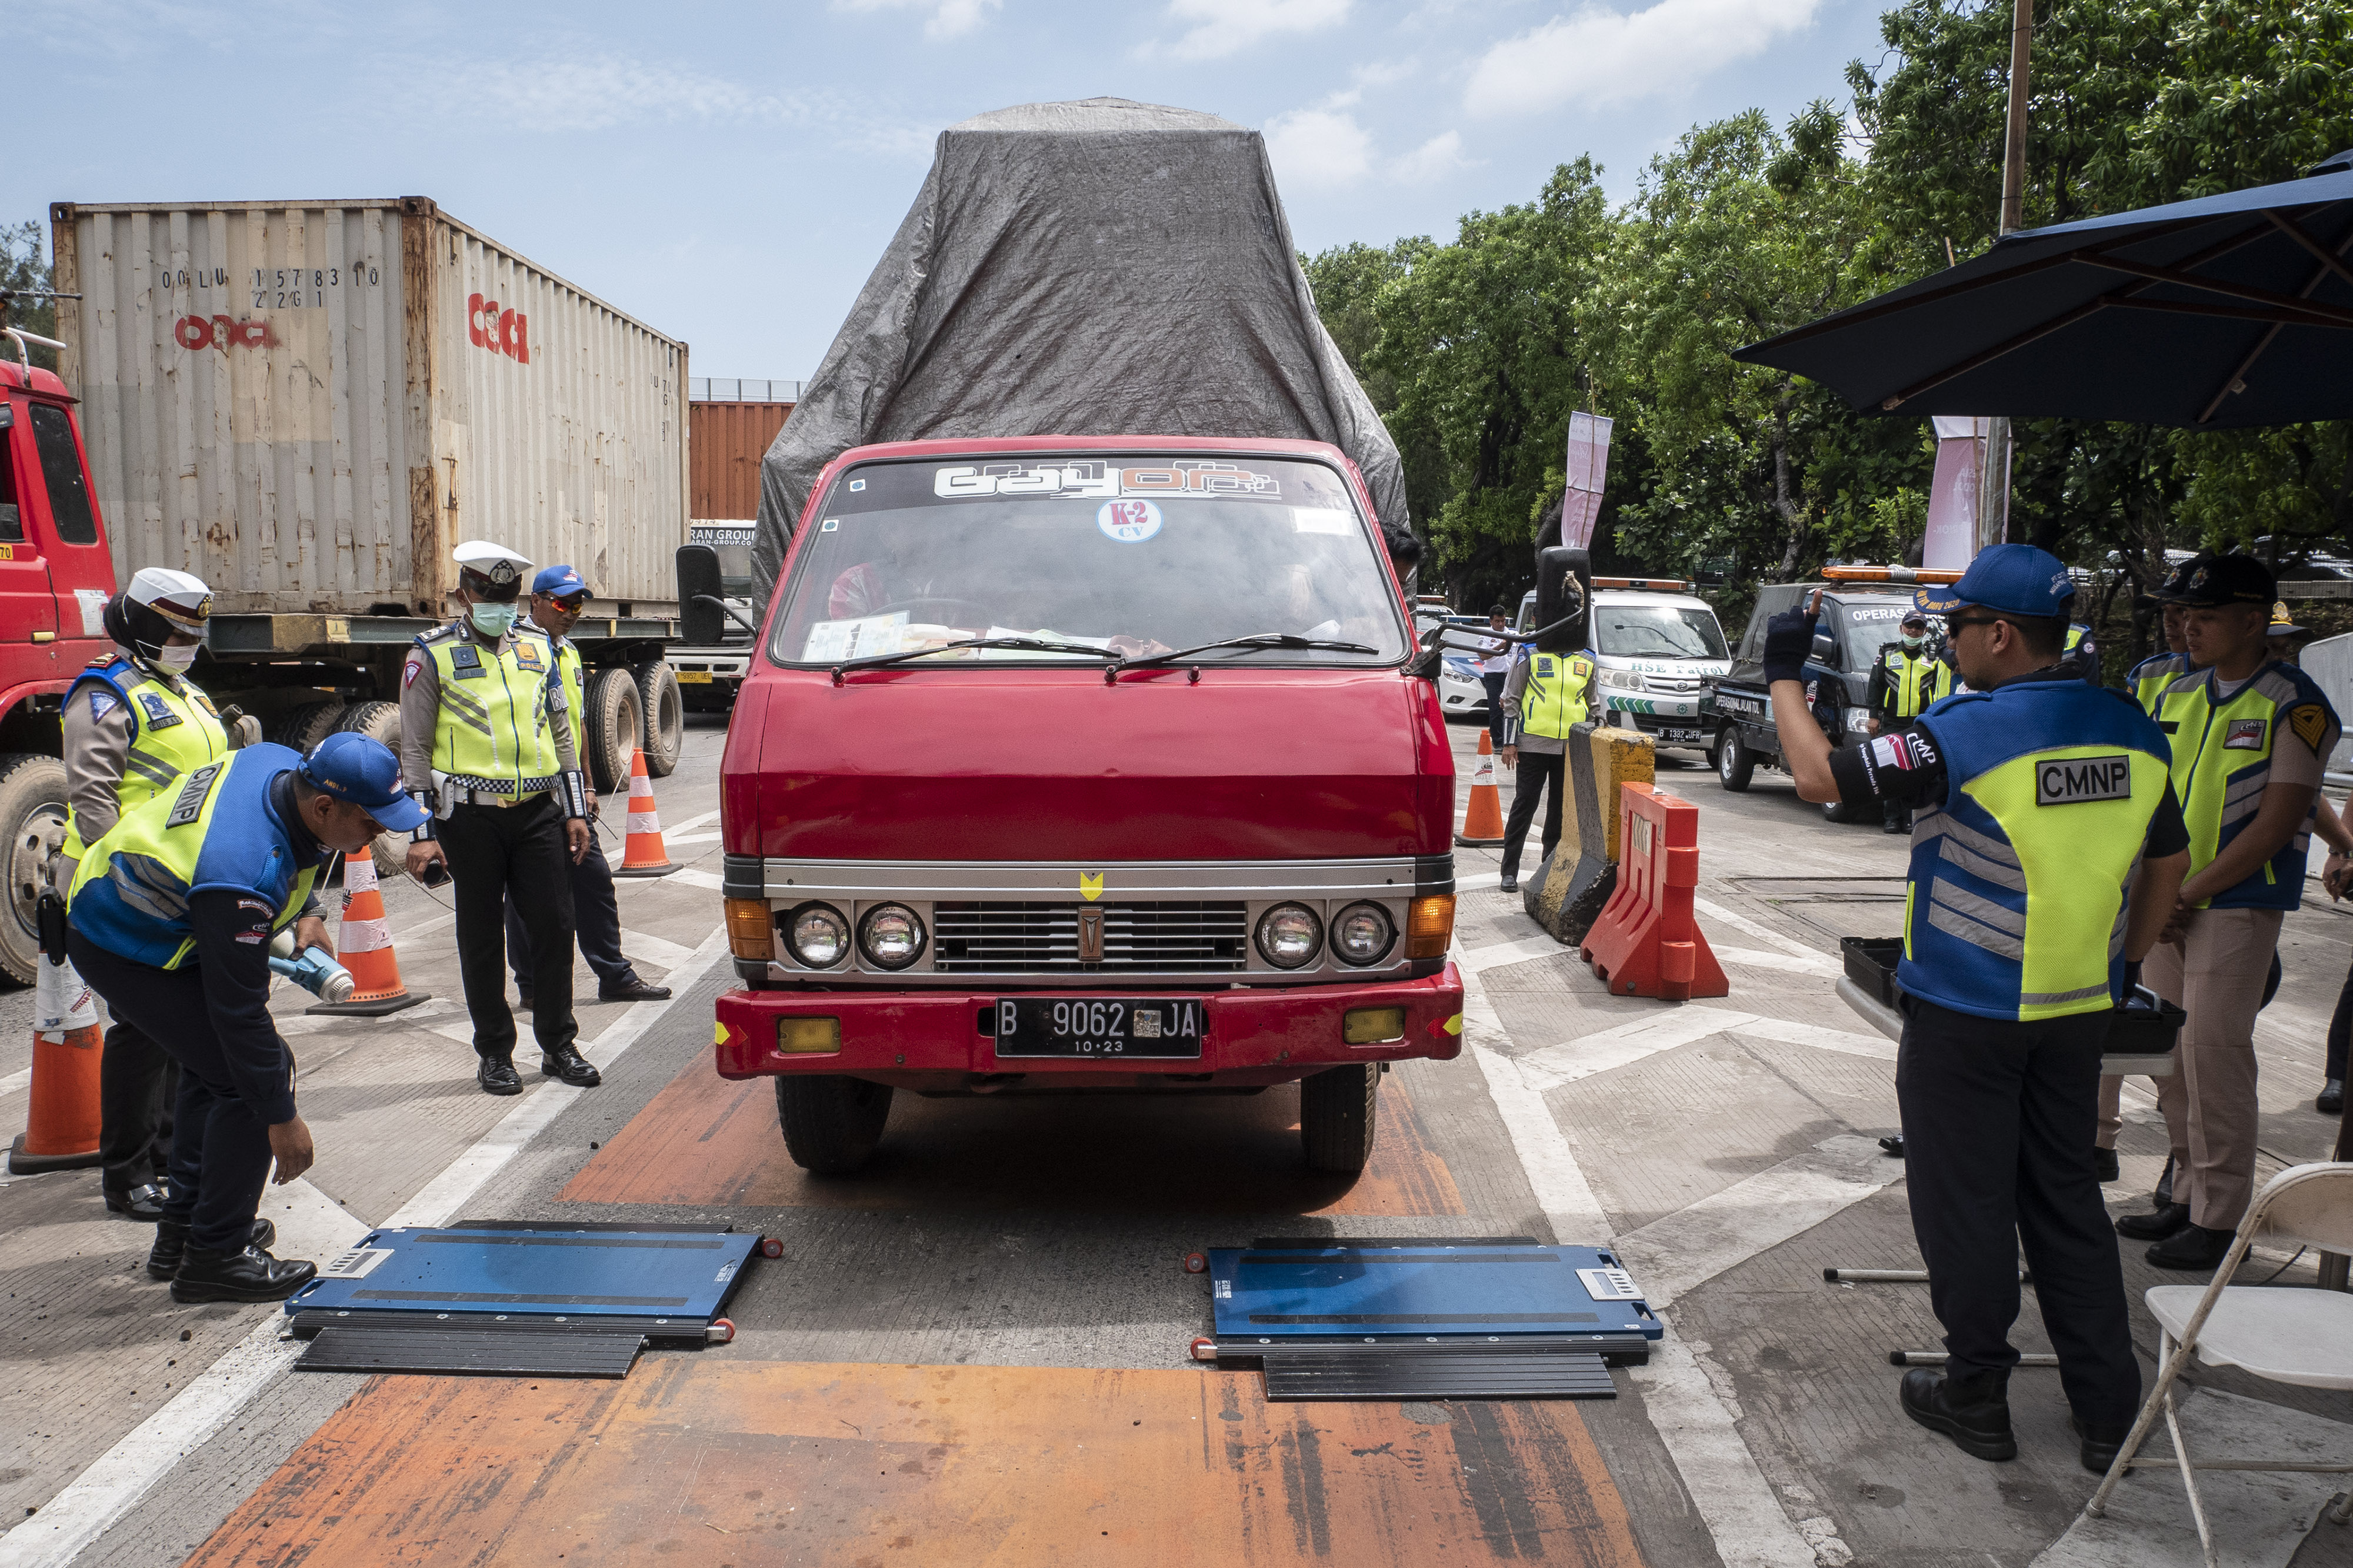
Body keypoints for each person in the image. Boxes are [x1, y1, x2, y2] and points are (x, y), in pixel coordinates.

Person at [1763, 544, 2189, 1476]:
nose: (1947, 641)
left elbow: (1818, 777)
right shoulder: (2136, 731)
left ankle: (1977, 1393)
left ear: (2000, 634)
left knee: (1968, 1206)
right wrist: (2121, 963)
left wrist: (1785, 674)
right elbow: (2168, 865)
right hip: (2078, 1009)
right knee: (2069, 1201)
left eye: (1957, 627)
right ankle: (2108, 1410)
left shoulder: (1959, 733)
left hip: (1968, 1012)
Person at [65, 733, 424, 1302]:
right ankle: (217, 1255)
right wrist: (282, 1118)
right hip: (123, 940)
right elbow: (239, 1013)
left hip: (142, 906)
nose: (378, 833)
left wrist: (305, 908)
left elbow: (291, 847)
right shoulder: (240, 873)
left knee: (217, 1073)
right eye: (371, 822)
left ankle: (186, 1231)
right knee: (250, 1076)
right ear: (325, 807)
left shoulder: (279, 764)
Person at [2119, 555, 2340, 1269]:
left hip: (2235, 904)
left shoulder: (2294, 705)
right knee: (2169, 1060)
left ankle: (2219, 1217)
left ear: (2254, 621)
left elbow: (2276, 823)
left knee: (2213, 1055)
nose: (2188, 627)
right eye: (2184, 614)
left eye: (2206, 615)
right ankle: (2183, 1191)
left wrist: (2182, 893)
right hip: (2170, 901)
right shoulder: (2179, 691)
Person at [58, 569, 265, 1225]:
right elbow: (92, 799)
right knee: (142, 1033)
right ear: (142, 626)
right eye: (176, 631)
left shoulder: (188, 693)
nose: (187, 642)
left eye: (194, 633)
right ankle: (126, 1173)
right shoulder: (105, 693)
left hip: (182, 884)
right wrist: (130, 882)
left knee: (185, 1029)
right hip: (122, 889)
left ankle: (177, 1162)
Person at [399, 541, 599, 1097]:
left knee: (556, 928)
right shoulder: (430, 654)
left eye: (509, 598)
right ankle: (495, 1053)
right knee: (482, 937)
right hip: (469, 819)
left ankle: (559, 1044)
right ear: (466, 594)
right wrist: (421, 833)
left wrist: (576, 809)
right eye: (490, 596)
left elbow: (560, 733)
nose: (501, 607)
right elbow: (414, 750)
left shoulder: (539, 648)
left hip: (539, 811)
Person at [505, 565, 671, 1007]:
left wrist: (589, 788)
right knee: (525, 898)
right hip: (530, 794)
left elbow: (574, 726)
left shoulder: (571, 654)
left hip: (569, 796)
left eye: (578, 604)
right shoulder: (513, 651)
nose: (572, 612)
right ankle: (531, 987)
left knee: (594, 882)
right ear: (535, 601)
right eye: (563, 603)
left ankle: (614, 975)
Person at [1496, 640, 1596, 895]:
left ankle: (1549, 869)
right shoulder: (1530, 652)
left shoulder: (1587, 658)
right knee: (1525, 804)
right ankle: (1509, 871)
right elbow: (1512, 699)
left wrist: (1592, 741)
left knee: (1560, 810)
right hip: (1532, 744)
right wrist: (1509, 743)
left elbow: (1592, 705)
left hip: (1571, 746)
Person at [1865, 609, 1941, 835]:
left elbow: (1939, 686)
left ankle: (1910, 819)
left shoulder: (1932, 657)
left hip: (1920, 722)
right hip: (1892, 721)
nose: (1913, 631)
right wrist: (1873, 716)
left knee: (1914, 772)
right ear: (1901, 628)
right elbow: (1875, 685)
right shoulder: (1888, 654)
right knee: (1891, 770)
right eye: (1909, 627)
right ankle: (1891, 818)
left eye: (1918, 627)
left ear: (1925, 631)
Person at [1477, 605, 1515, 750]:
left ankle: (1511, 739)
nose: (1501, 624)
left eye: (1503, 621)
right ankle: (1498, 742)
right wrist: (1500, 646)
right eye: (1498, 621)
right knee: (1496, 709)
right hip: (1494, 676)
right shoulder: (1485, 636)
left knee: (1511, 708)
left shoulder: (1512, 634)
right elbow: (1483, 655)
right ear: (1491, 621)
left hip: (1510, 675)